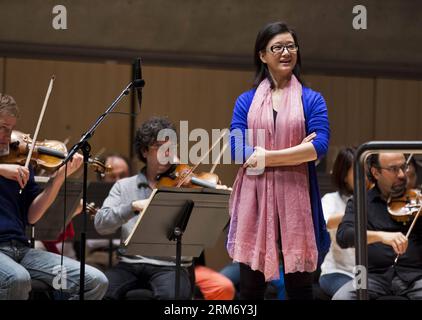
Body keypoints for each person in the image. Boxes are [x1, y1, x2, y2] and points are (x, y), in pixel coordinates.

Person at [227, 21, 330, 300]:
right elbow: (236, 150)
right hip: (255, 203)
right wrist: (295, 150)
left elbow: (318, 147)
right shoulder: (246, 101)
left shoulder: (312, 100)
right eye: (278, 47)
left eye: (291, 46)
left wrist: (264, 156)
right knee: (250, 288)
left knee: (300, 288)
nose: (286, 53)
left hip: (297, 199)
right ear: (263, 55)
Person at [0, 93, 108, 300]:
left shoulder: (21, 161)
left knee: (95, 281)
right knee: (18, 279)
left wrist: (58, 179)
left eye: (11, 128)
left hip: (21, 250)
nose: (8, 135)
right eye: (2, 127)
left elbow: (32, 216)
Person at [94, 117, 193, 300]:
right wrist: (131, 207)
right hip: (130, 263)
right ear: (144, 151)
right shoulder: (123, 187)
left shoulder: (185, 185)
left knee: (171, 298)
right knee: (99, 292)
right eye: (158, 147)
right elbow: (101, 224)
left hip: (171, 266)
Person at [334, 152, 422, 299]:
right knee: (341, 297)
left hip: (415, 275)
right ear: (376, 172)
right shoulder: (360, 201)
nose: (401, 174)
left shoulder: (417, 201)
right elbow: (344, 236)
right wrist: (380, 236)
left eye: (403, 167)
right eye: (393, 169)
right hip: (370, 275)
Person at [318, 147, 356, 297]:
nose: (365, 177)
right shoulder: (330, 199)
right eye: (358, 172)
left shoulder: (373, 199)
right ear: (345, 175)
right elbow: (325, 223)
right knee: (356, 295)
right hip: (337, 271)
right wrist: (356, 211)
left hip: (365, 272)